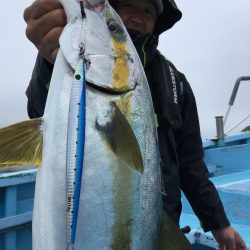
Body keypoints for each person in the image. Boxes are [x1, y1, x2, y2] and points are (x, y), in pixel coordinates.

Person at [23, 0, 247, 249]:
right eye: (130, 5)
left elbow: (191, 164)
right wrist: (49, 61)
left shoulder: (176, 83)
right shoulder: (69, 67)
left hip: (157, 228)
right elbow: (39, 108)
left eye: (148, 11)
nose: (139, 17)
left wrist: (219, 223)